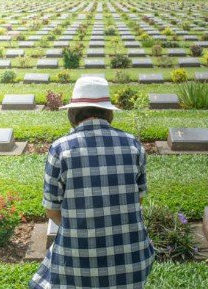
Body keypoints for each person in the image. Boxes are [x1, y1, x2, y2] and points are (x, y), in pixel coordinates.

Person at [29, 76, 155, 289]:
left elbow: (52, 210)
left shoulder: (60, 149)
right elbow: (138, 200)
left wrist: (85, 228)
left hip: (75, 263)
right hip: (132, 262)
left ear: (73, 112)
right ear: (108, 111)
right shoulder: (133, 144)